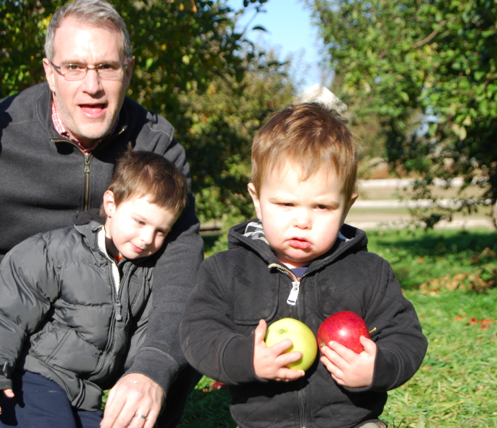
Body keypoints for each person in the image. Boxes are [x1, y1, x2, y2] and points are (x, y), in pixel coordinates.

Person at [0, 1, 203, 427]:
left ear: (128, 68)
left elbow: (182, 260)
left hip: (105, 342)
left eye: (107, 66)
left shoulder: (154, 145)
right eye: (74, 66)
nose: (93, 85)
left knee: (174, 347)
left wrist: (152, 366)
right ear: (49, 71)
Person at [180, 103, 428, 428]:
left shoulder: (369, 272)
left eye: (322, 206)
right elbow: (198, 333)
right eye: (285, 204)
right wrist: (246, 358)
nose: (302, 221)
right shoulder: (227, 271)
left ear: (346, 206)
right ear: (256, 198)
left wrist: (377, 368)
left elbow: (407, 337)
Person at [0, 149, 188, 428]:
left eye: (161, 231)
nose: (147, 238)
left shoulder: (146, 274)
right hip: (36, 377)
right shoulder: (56, 253)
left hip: (87, 393)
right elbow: (6, 314)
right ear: (111, 204)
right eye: (140, 222)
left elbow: (145, 334)